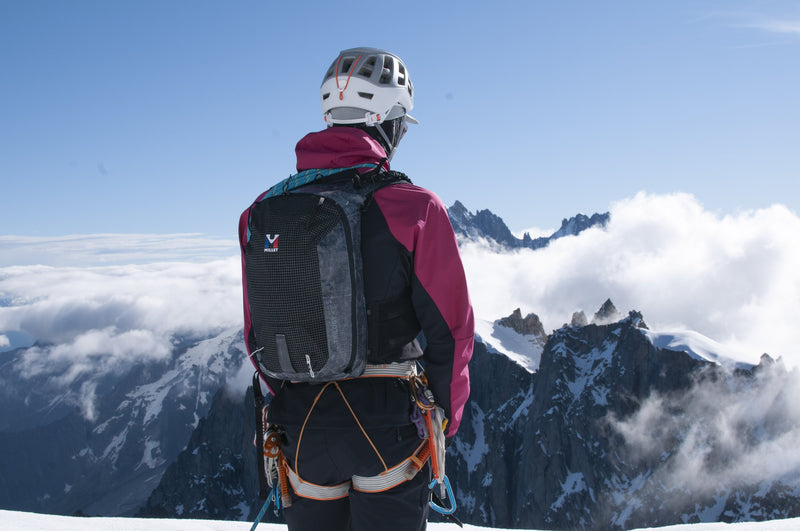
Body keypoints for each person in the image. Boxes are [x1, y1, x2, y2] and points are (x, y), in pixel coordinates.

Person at [239, 47, 474, 531]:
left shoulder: (260, 213)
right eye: (402, 124)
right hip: (388, 425)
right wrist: (446, 418)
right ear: (387, 121)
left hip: (301, 425)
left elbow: (256, 332)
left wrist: (289, 403)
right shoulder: (415, 207)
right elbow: (451, 329)